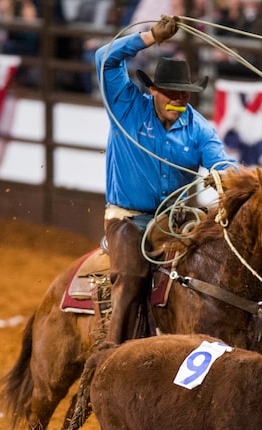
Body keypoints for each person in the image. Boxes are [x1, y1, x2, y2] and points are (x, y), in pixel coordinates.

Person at [94, 15, 235, 344]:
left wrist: (224, 176)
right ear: (154, 90)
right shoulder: (127, 106)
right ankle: (110, 351)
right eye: (172, 93)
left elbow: (222, 162)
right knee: (130, 277)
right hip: (129, 220)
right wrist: (149, 37)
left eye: (185, 95)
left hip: (179, 220)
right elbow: (104, 58)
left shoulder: (198, 127)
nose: (179, 101)